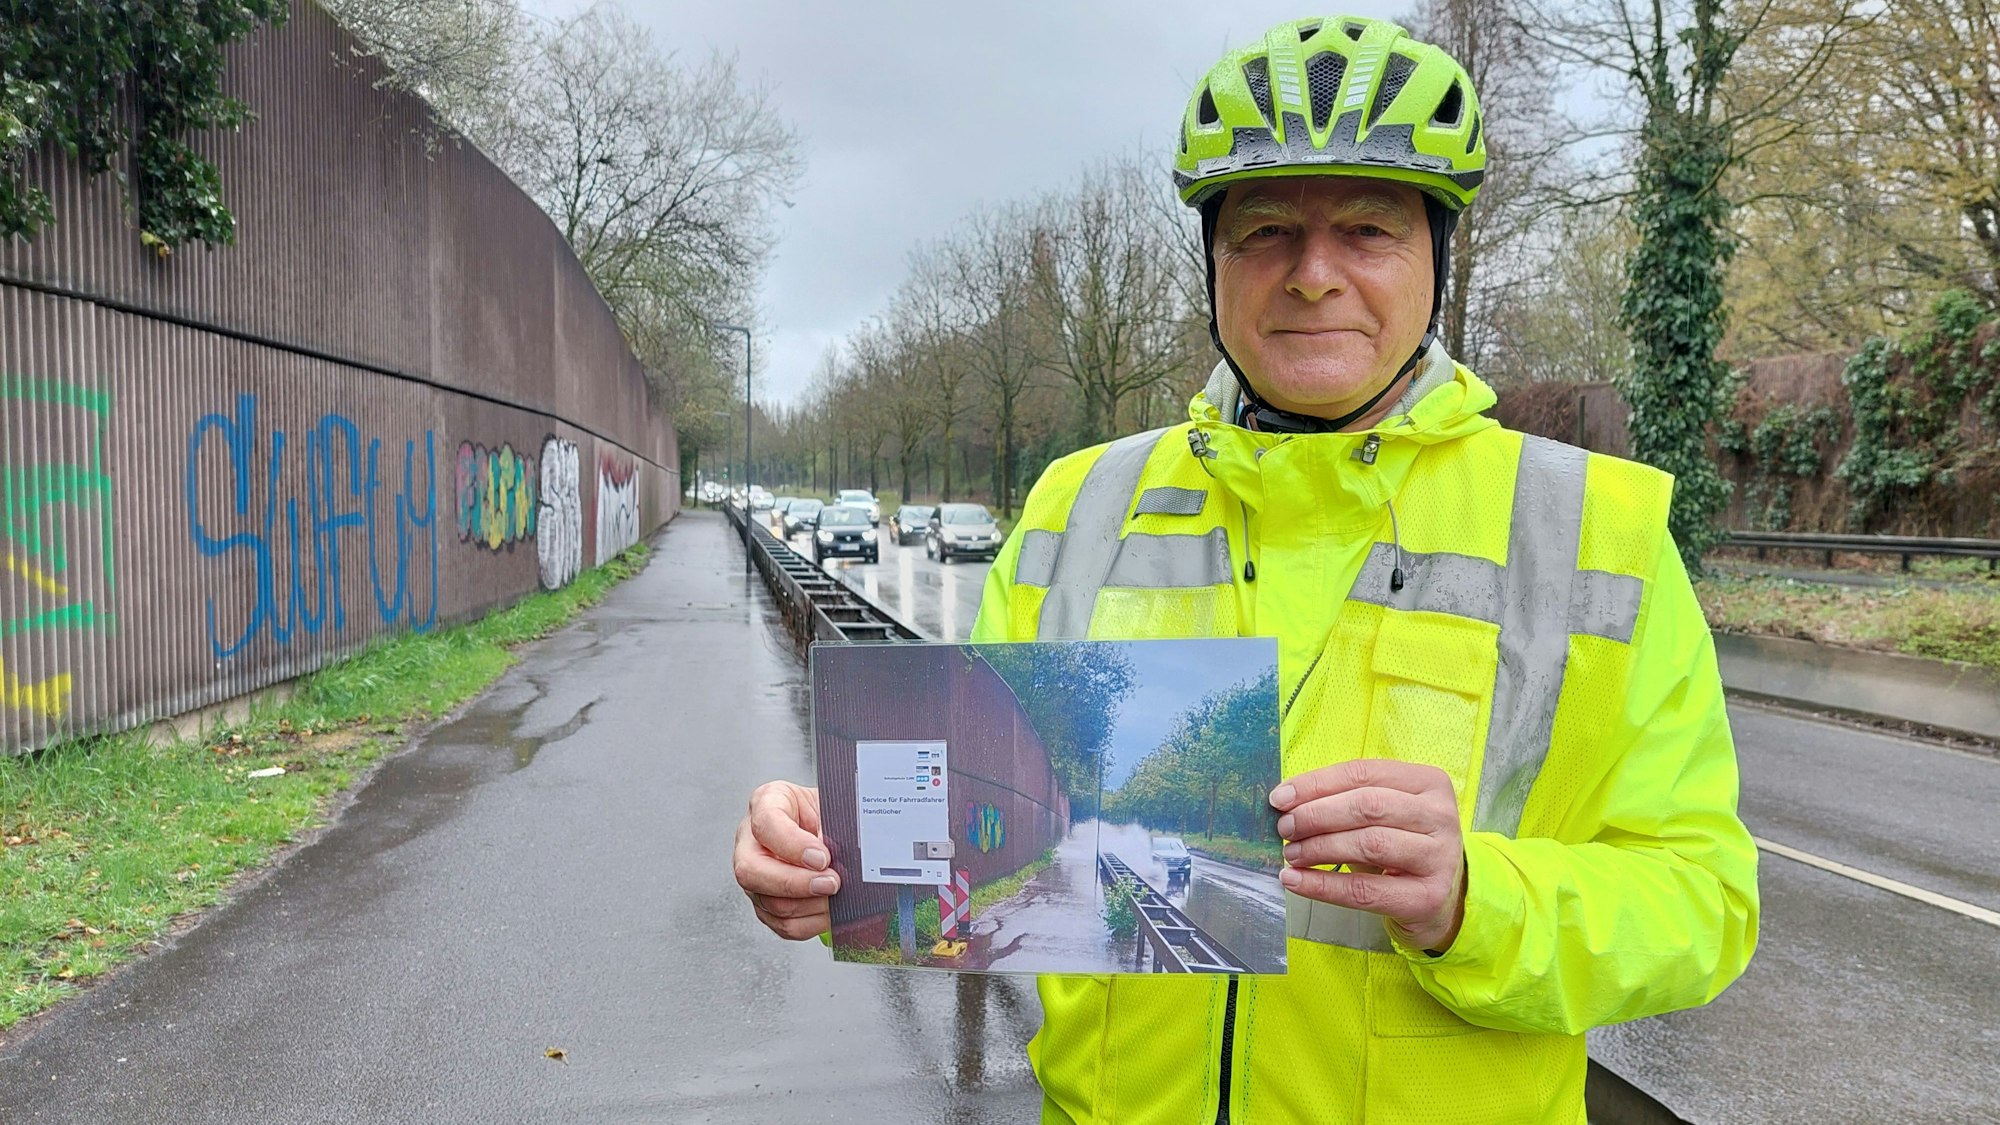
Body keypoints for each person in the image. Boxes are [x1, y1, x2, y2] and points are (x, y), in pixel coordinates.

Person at [733, 15, 1758, 1123]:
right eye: (1264, 231)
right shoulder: (1076, 505)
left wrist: (1477, 898)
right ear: (1213, 263)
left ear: (1435, 262)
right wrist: (831, 851)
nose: (1312, 275)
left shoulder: (1591, 528)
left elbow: (1701, 904)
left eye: (1367, 229)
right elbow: (985, 810)